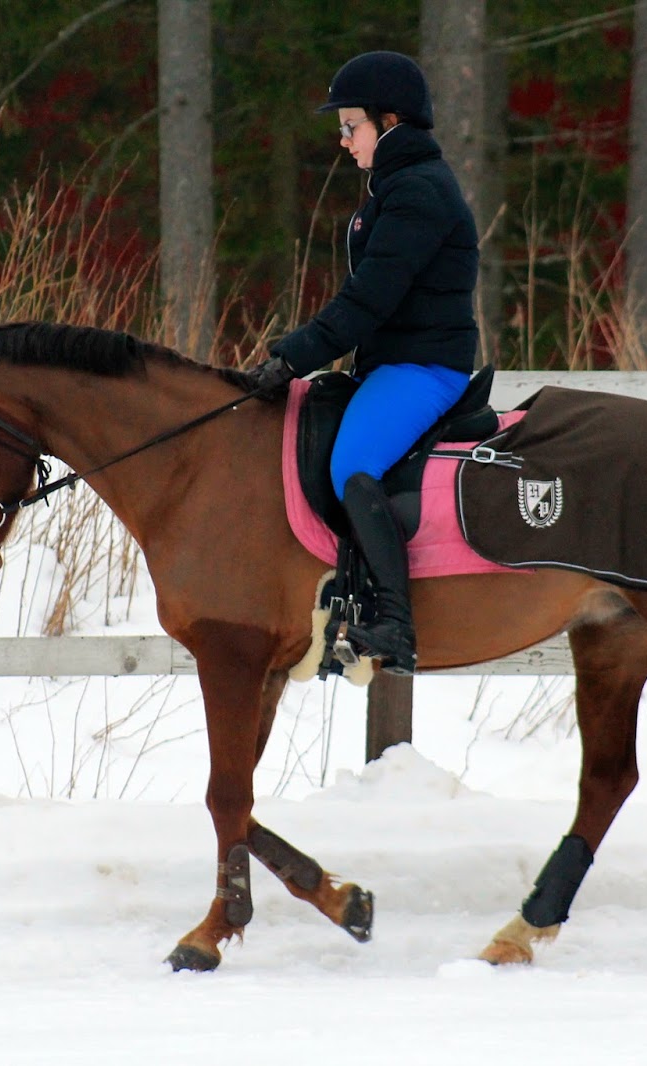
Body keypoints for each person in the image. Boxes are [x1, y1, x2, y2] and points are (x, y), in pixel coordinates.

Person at [243, 50, 480, 676]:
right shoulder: (393, 188)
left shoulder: (418, 193)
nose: (344, 140)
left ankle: (396, 624)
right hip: (391, 364)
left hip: (424, 369)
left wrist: (291, 358)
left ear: (390, 121)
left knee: (353, 463)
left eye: (352, 125)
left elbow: (369, 300)